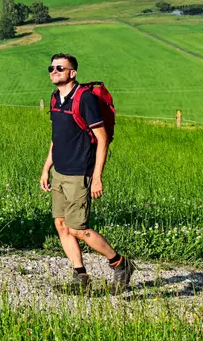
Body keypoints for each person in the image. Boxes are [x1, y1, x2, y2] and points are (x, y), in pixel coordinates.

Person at [40, 53, 134, 293]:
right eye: (52, 68)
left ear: (72, 73)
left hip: (79, 173)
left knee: (78, 229)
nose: (54, 71)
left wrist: (97, 177)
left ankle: (120, 263)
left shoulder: (85, 99)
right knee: (61, 224)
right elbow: (56, 137)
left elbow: (103, 139)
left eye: (60, 68)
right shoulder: (55, 97)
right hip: (59, 172)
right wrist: (46, 168)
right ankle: (80, 276)